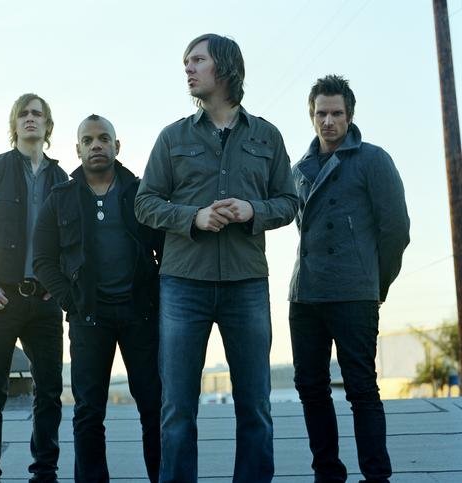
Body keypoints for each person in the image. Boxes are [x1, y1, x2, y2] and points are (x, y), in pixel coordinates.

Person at [134, 33, 297, 483]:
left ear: (224, 67)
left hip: (247, 284)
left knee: (255, 405)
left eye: (197, 60)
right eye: (186, 62)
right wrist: (194, 217)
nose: (188, 69)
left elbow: (289, 201)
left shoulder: (267, 136)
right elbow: (145, 203)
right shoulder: (172, 137)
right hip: (183, 284)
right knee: (177, 408)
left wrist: (252, 210)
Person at [288, 75, 410, 483]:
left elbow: (396, 230)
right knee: (310, 387)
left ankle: (376, 476)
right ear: (311, 115)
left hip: (354, 293)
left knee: (361, 388)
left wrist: (377, 284)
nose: (328, 121)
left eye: (336, 113)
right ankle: (328, 474)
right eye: (321, 113)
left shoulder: (373, 160)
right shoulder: (298, 169)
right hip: (305, 295)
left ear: (350, 115)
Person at [33, 114, 162, 483]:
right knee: (89, 412)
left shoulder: (141, 192)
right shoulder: (61, 198)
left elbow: (166, 248)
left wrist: (157, 296)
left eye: (104, 138)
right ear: (78, 149)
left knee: (154, 408)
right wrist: (70, 301)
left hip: (140, 315)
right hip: (89, 317)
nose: (96, 145)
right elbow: (42, 259)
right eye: (88, 141)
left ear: (116, 146)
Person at [0, 93, 68, 483]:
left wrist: (58, 286)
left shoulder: (61, 179)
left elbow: (72, 241)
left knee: (50, 390)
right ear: (14, 124)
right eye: (23, 114)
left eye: (37, 113)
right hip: (0, 299)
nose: (30, 118)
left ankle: (45, 470)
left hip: (44, 300)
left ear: (48, 125)